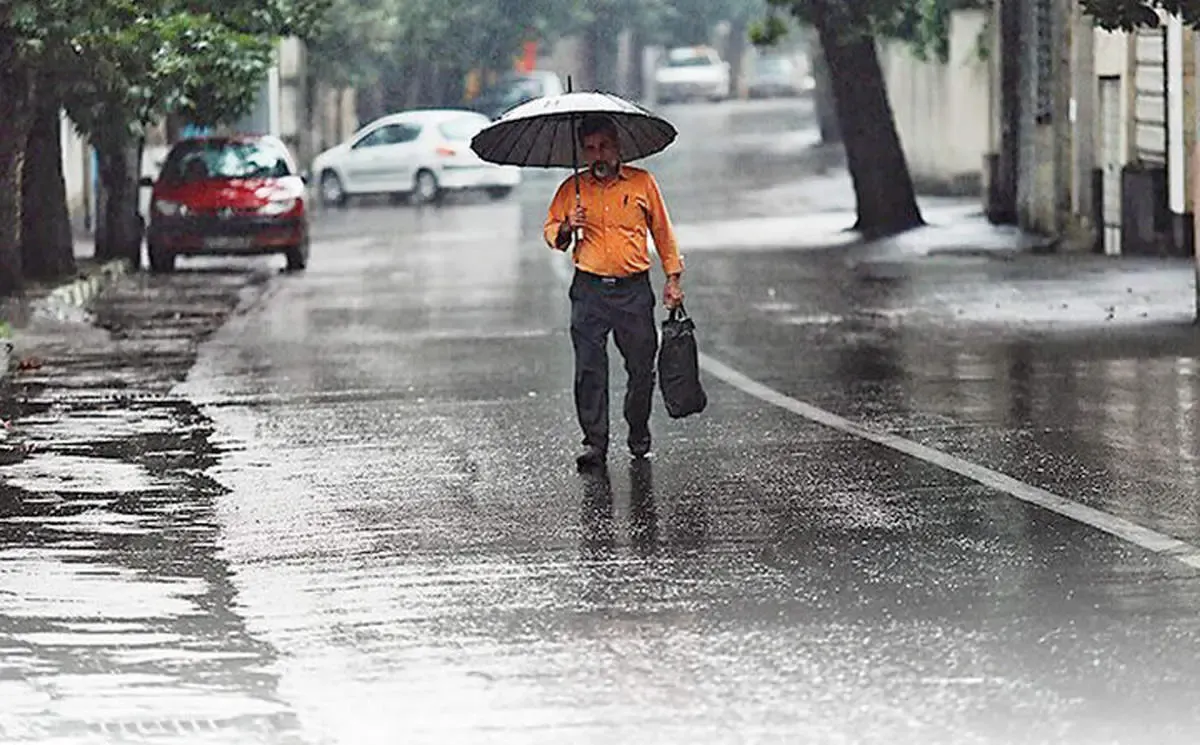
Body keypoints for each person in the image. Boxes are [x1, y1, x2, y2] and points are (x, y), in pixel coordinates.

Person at [543, 114, 684, 470]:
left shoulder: (642, 183)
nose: (598, 156)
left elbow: (663, 233)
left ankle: (638, 429)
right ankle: (595, 442)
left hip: (633, 291)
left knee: (641, 367)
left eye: (603, 147)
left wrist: (673, 279)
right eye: (590, 149)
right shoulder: (571, 190)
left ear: (617, 146)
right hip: (589, 289)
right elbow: (552, 235)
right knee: (589, 369)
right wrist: (566, 227)